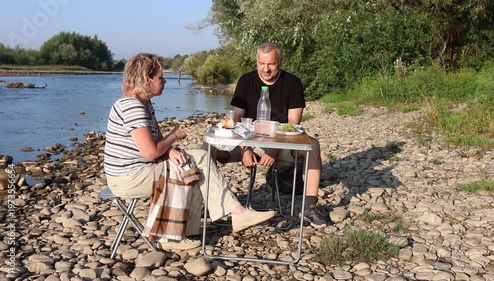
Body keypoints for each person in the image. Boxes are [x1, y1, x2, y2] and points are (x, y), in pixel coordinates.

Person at [103, 53, 274, 251]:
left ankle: (187, 231)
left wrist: (171, 152)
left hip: (139, 171)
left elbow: (157, 142)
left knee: (195, 166)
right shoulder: (132, 106)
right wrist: (174, 136)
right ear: (146, 79)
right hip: (128, 178)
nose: (165, 80)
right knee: (197, 162)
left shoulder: (144, 103)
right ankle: (183, 234)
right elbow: (150, 152)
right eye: (160, 77)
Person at [204, 42, 328, 228]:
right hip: (247, 142)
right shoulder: (246, 81)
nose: (266, 69)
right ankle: (211, 203)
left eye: (271, 64)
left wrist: (274, 151)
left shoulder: (292, 82)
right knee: (208, 148)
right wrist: (244, 149)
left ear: (280, 61)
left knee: (313, 146)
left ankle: (309, 206)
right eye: (261, 64)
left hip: (281, 143)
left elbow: (293, 124)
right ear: (256, 61)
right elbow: (235, 119)